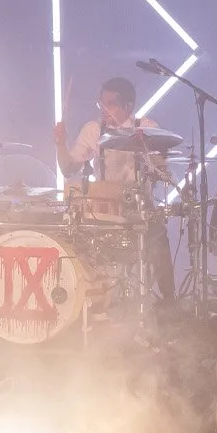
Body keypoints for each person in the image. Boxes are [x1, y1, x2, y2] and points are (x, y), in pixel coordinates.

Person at [54, 76, 175, 301]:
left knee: (158, 239)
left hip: (139, 205)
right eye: (101, 103)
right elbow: (69, 169)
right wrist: (61, 144)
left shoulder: (146, 127)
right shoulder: (93, 129)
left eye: (110, 104)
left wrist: (152, 156)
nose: (103, 109)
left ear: (128, 106)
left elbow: (161, 167)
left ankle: (169, 301)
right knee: (77, 237)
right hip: (105, 207)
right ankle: (91, 298)